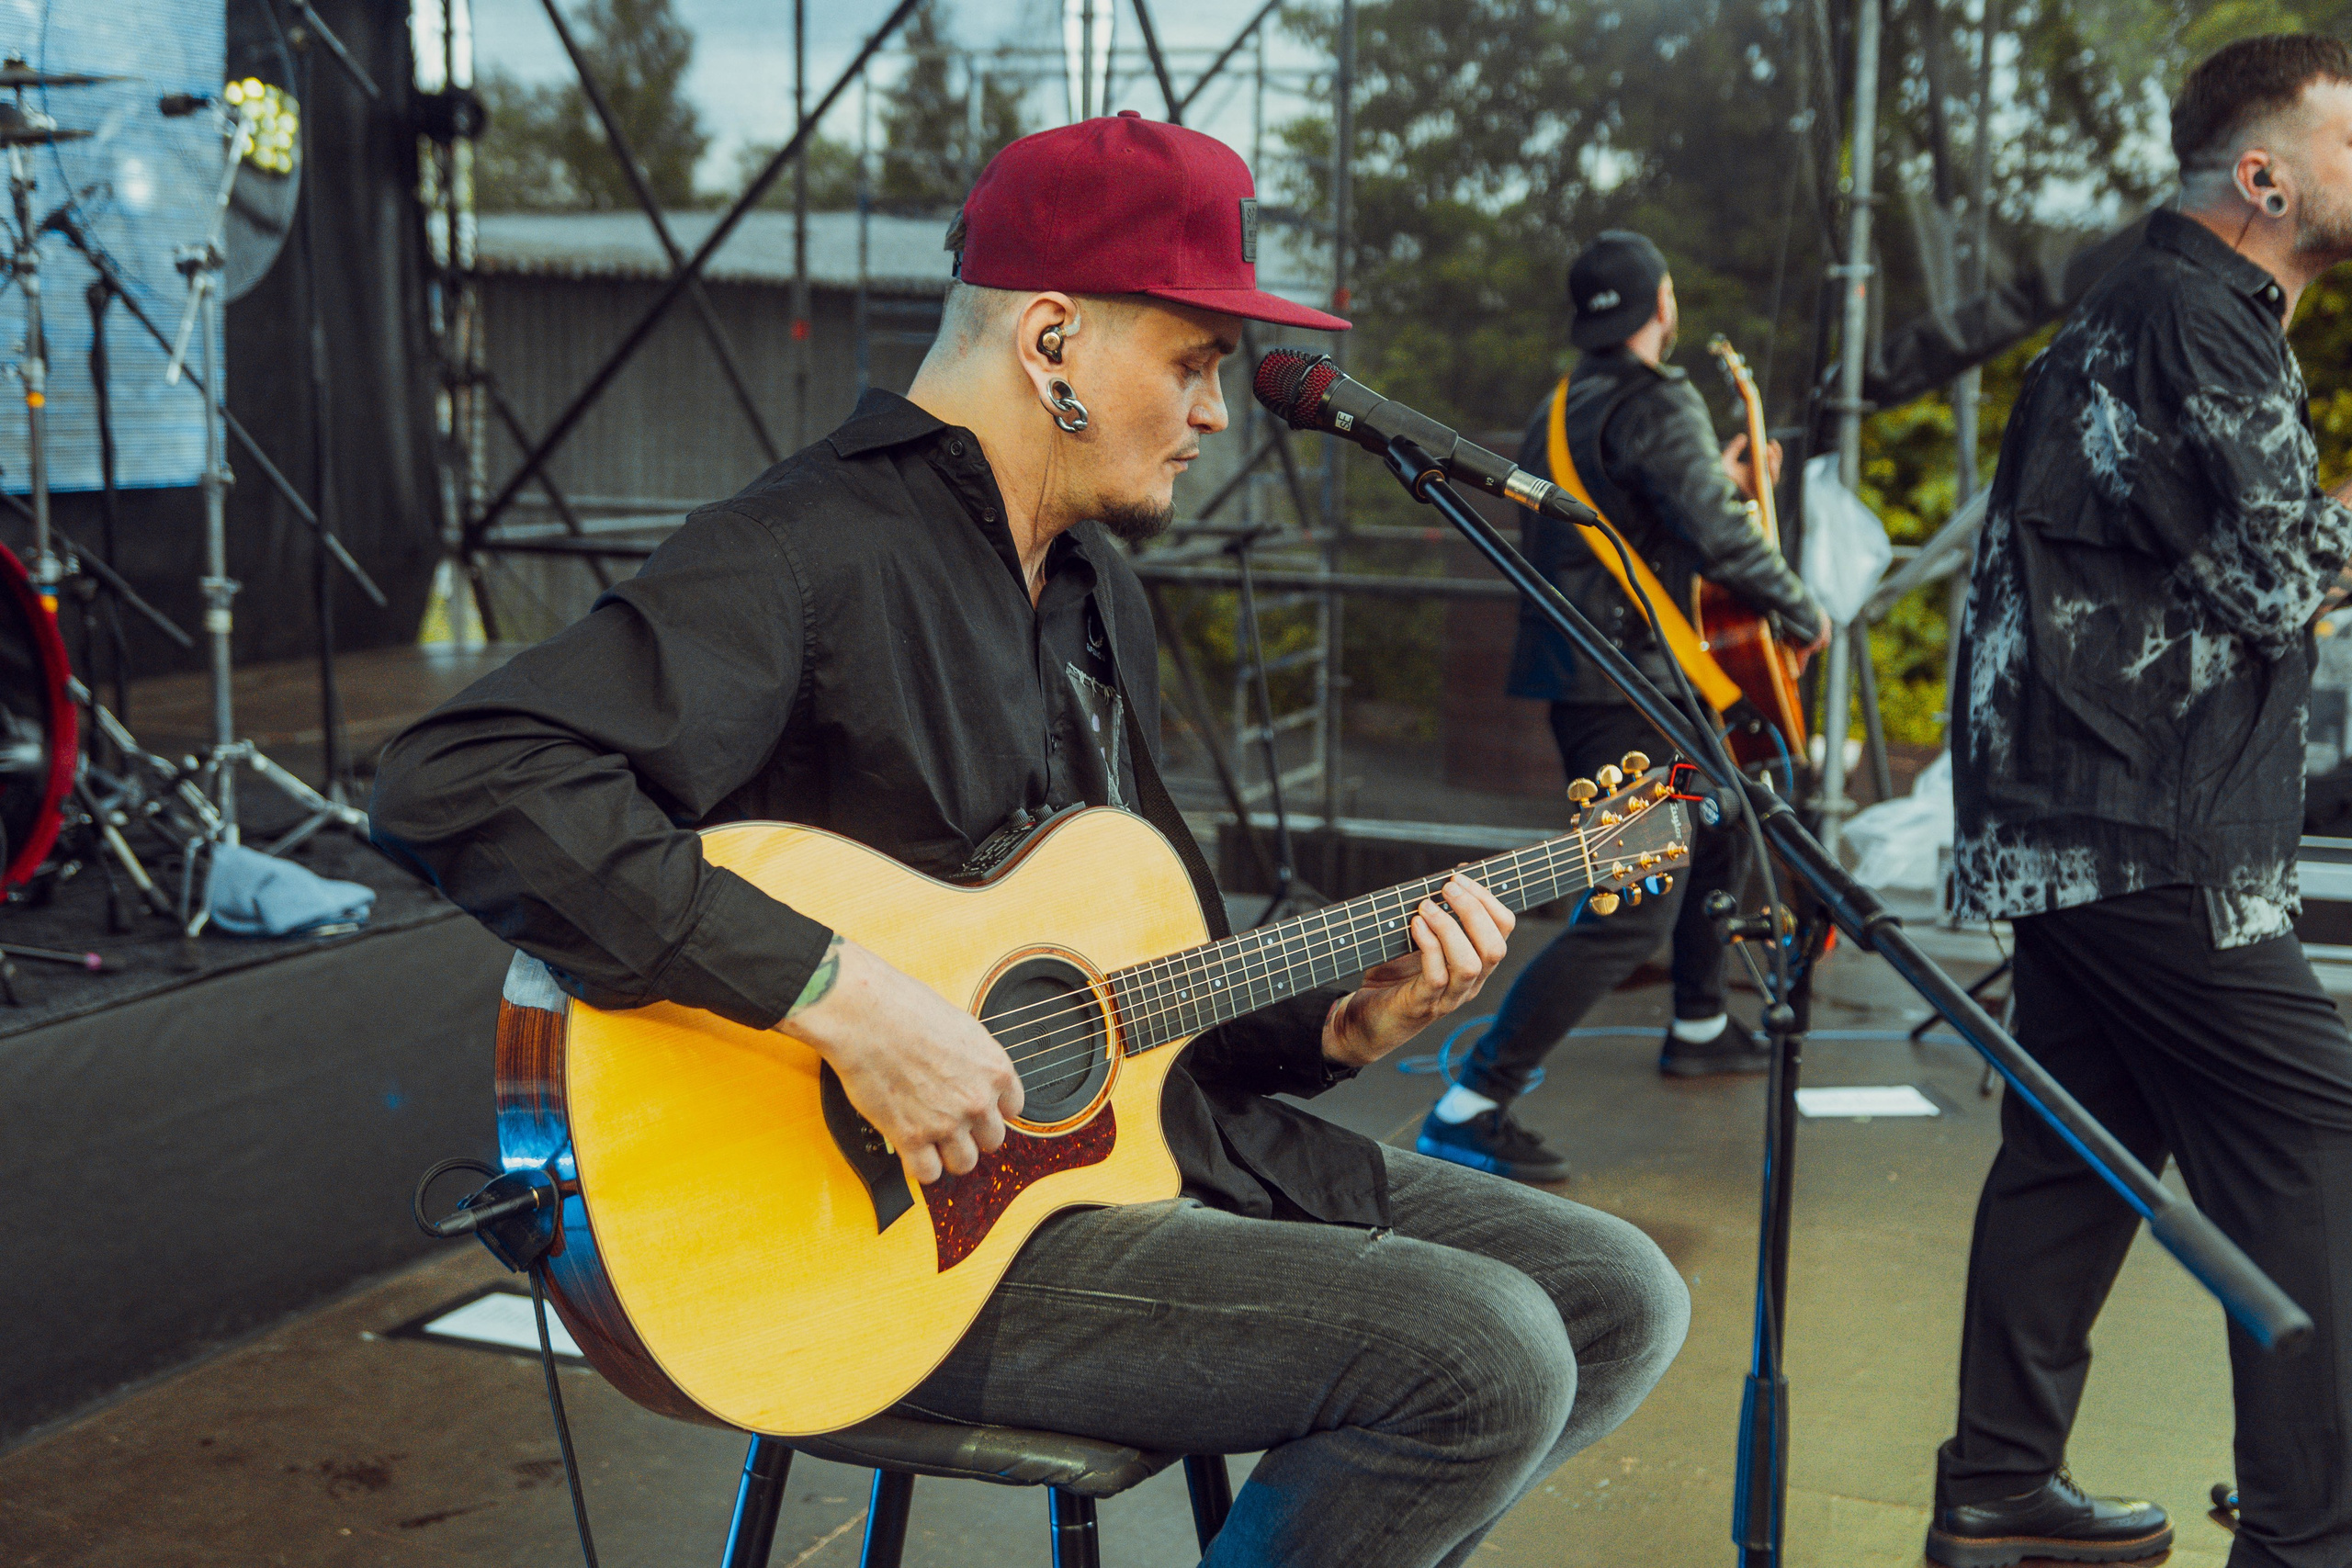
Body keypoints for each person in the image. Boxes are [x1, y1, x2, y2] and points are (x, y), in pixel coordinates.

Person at [368, 114, 1688, 1568]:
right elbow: (461, 776)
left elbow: (1146, 990)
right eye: (1192, 362)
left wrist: (1358, 1021)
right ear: (1051, 340)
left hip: (1113, 1165)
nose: (1217, 412)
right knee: (1483, 1351)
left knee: (1616, 1294)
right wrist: (847, 997)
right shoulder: (810, 548)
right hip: (883, 1240)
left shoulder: (1095, 595)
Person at [1932, 36, 2352, 1568]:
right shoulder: (2192, 321)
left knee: (2081, 1146)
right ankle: (2314, 1535)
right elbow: (2278, 576)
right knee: (2321, 1140)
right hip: (2147, 825)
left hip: (2094, 814)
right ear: (2265, 176)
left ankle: (1996, 1483)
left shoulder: (2173, 308)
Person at [1416, 230, 1831, 1183]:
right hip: (1629, 691)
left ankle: (1698, 1023)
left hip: (1608, 684)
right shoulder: (1655, 399)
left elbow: (1651, 509)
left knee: (1725, 817)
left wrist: (1710, 479)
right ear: (1661, 305)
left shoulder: (1563, 405)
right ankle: (1469, 1104)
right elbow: (1718, 533)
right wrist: (1800, 608)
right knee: (1631, 911)